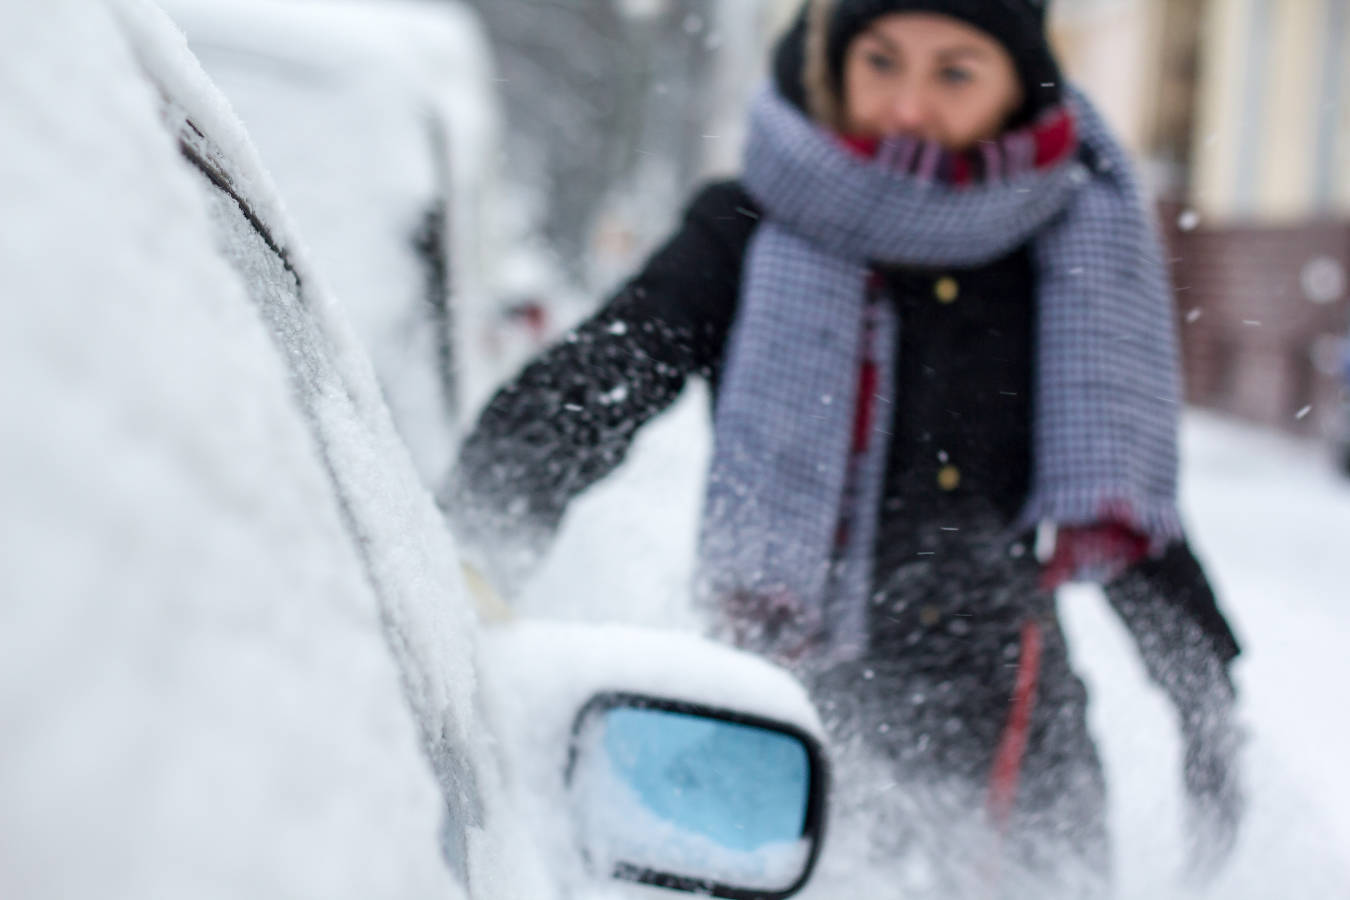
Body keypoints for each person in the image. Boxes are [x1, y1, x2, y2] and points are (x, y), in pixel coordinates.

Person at [442, 1, 1244, 895]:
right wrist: (469, 543)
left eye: (954, 72)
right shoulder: (749, 225)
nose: (907, 106)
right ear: (834, 62)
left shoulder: (1066, 252)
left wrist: (1206, 693)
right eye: (882, 61)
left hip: (1018, 739)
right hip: (782, 725)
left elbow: (1122, 492)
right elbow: (601, 378)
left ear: (1018, 85)